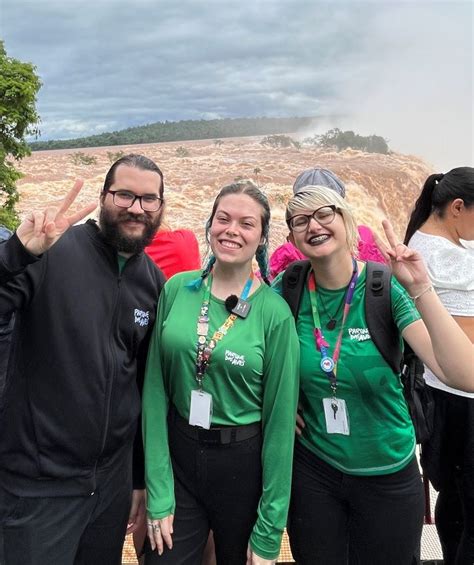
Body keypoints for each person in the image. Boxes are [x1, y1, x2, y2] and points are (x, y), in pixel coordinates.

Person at [273, 186, 473, 565]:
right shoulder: (289, 287)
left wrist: (420, 287)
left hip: (388, 472)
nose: (313, 225)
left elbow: (462, 374)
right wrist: (275, 404)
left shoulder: (384, 288)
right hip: (315, 471)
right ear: (293, 236)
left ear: (346, 220)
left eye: (323, 214)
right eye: (300, 220)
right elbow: (245, 353)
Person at [0, 154, 166, 565]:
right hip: (39, 487)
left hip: (109, 491)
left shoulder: (153, 281)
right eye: (124, 195)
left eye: (149, 199)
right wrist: (16, 254)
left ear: (160, 208)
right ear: (104, 196)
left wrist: (138, 479)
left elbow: (144, 386)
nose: (136, 208)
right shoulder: (52, 251)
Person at [142, 180, 299, 565]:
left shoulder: (273, 313)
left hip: (242, 466)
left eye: (247, 224)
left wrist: (270, 529)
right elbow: (154, 391)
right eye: (223, 218)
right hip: (180, 456)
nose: (232, 230)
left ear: (262, 237)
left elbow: (280, 424)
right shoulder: (177, 289)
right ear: (209, 224)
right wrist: (158, 490)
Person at [405, 166, 474, 564]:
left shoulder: (424, 242)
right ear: (457, 207)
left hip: (439, 396)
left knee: (455, 499)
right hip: (463, 400)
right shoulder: (446, 258)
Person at [268, 167, 385, 280]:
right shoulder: (365, 235)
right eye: (303, 220)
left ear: (344, 216)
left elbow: (263, 281)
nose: (314, 227)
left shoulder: (288, 251)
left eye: (324, 214)